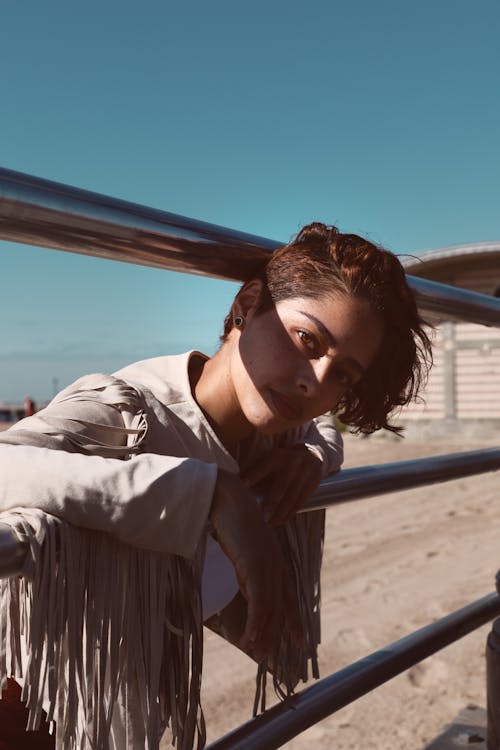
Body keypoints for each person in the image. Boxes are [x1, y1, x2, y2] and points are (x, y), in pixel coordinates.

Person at [0, 223, 431, 750]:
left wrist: (316, 457)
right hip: (30, 704)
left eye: (343, 374)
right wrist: (208, 494)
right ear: (249, 304)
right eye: (305, 339)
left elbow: (320, 429)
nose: (314, 382)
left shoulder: (276, 434)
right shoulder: (124, 414)